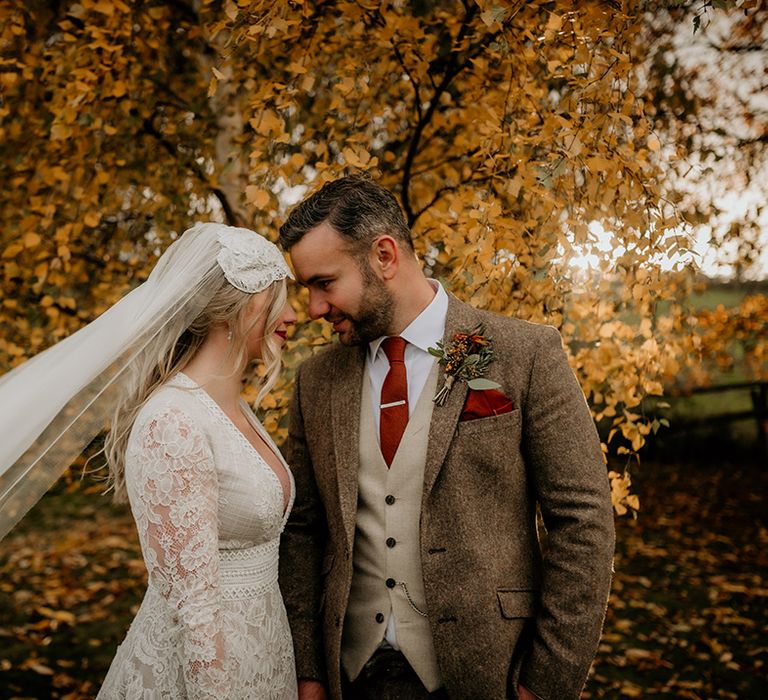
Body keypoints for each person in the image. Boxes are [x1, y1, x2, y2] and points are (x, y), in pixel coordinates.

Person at [277, 175, 615, 700]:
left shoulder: (523, 354)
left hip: (485, 672)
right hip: (350, 675)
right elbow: (302, 530)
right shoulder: (317, 380)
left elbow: (583, 520)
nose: (315, 308)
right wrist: (308, 671)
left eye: (325, 282)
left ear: (384, 255)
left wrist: (546, 685)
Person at [0, 223, 299, 699]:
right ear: (238, 307)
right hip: (205, 675)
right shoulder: (173, 422)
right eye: (280, 296)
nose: (292, 314)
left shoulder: (235, 408)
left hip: (262, 655)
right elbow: (195, 611)